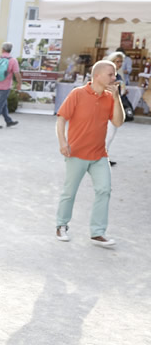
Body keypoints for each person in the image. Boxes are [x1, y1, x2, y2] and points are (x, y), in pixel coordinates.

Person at [54, 59, 125, 247]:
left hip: (100, 155)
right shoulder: (77, 94)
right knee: (69, 192)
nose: (114, 77)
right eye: (111, 74)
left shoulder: (110, 97)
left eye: (114, 74)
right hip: (76, 153)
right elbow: (61, 119)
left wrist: (117, 97)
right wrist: (63, 143)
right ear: (97, 76)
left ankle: (97, 233)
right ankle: (61, 225)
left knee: (104, 190)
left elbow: (118, 122)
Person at [0, 42, 22, 129]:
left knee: (3, 103)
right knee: (0, 103)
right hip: (5, 86)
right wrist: (19, 83)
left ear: (2, 49)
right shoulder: (13, 60)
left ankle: (8, 121)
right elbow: (17, 73)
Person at [104, 51, 128, 166]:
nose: (120, 64)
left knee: (110, 133)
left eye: (121, 62)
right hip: (107, 107)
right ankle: (102, 158)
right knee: (109, 133)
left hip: (115, 106)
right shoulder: (107, 74)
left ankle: (104, 156)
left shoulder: (117, 75)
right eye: (117, 61)